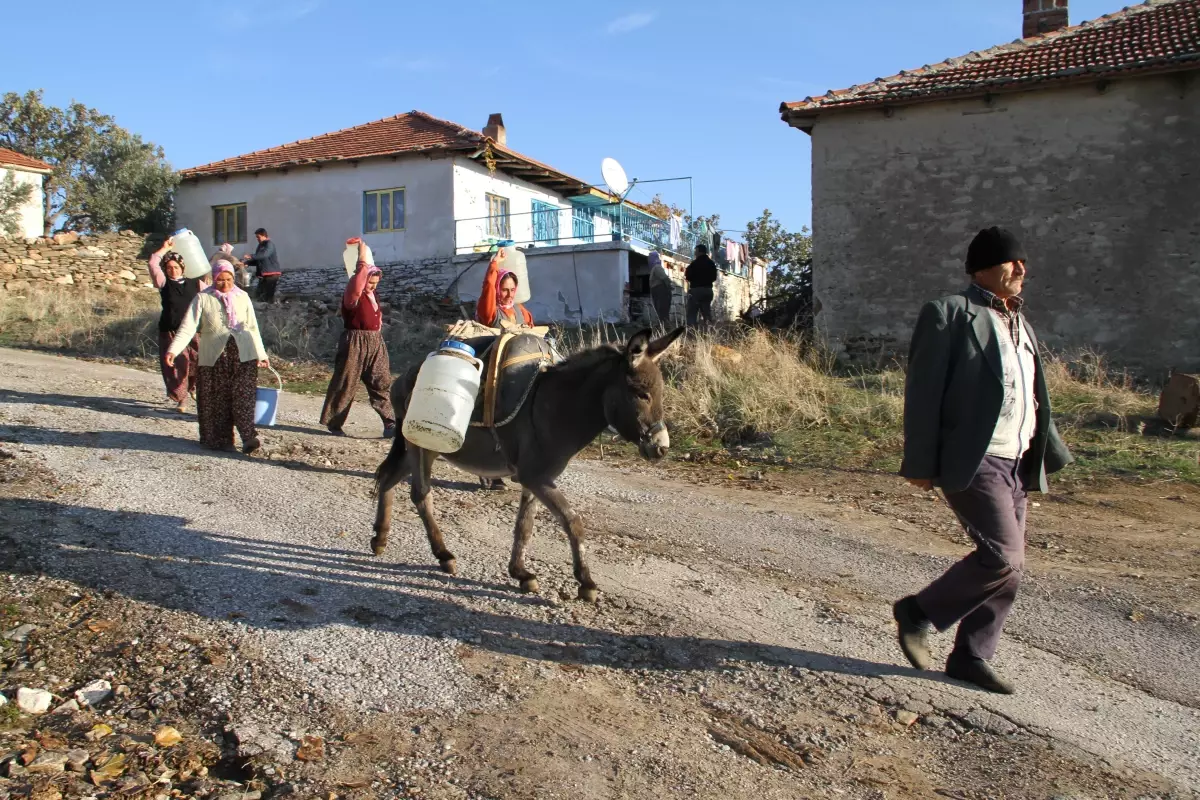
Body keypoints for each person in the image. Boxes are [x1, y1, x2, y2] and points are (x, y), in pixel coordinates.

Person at [893, 226, 1072, 695]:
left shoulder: (1022, 324)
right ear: (981, 269)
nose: (1021, 270)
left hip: (1018, 457)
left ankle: (971, 656)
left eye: (1023, 263)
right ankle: (919, 611)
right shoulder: (949, 314)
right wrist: (920, 460)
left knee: (1011, 565)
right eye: (1010, 261)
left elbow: (1033, 394)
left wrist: (1047, 449)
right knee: (1003, 556)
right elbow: (924, 391)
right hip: (975, 455)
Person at [167, 260, 270, 454]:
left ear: (234, 277)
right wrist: (174, 349)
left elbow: (253, 327)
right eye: (220, 280)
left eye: (229, 279)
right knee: (218, 400)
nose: (225, 284)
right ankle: (221, 440)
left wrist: (261, 353)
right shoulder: (203, 298)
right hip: (214, 358)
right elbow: (188, 327)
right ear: (214, 279)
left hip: (243, 355)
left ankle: (248, 437)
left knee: (244, 397)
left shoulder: (243, 297)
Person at [320, 238, 396, 438]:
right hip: (354, 341)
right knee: (346, 382)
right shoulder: (352, 296)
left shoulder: (373, 296)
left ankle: (390, 423)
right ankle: (334, 424)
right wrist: (362, 253)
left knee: (381, 380)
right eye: (369, 282)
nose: (372, 286)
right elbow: (359, 276)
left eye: (375, 283)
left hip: (375, 341)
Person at [148, 238, 201, 413]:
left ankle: (191, 388)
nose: (173, 270)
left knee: (196, 361)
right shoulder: (163, 283)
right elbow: (153, 262)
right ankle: (182, 399)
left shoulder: (196, 284)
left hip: (193, 331)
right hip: (170, 331)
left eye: (176, 267)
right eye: (169, 267)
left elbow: (215, 293)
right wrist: (164, 249)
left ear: (183, 267)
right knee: (178, 364)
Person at [475, 248, 533, 328]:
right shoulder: (490, 311)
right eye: (504, 290)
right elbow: (490, 284)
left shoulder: (519, 309)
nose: (509, 295)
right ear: (497, 290)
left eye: (512, 290)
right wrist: (495, 262)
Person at [243, 228, 282, 304]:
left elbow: (264, 255)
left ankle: (270, 310)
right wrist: (247, 263)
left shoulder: (269, 244)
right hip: (264, 274)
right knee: (260, 294)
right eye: (256, 237)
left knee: (268, 294)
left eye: (258, 237)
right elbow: (259, 259)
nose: (257, 239)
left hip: (271, 273)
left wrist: (251, 256)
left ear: (264, 235)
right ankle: (263, 308)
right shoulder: (260, 246)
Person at [684, 244, 718, 329]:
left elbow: (688, 276)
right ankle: (709, 334)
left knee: (692, 314)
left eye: (695, 250)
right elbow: (714, 278)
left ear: (699, 251)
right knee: (706, 313)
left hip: (696, 291)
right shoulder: (711, 263)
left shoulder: (694, 264)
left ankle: (692, 334)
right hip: (708, 291)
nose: (695, 252)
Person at [648, 252, 673, 326]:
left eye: (650, 257)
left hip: (661, 291)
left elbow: (665, 278)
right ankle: (662, 326)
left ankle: (666, 327)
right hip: (657, 292)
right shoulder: (654, 268)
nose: (649, 259)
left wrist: (669, 286)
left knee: (662, 310)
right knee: (660, 310)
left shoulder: (657, 267)